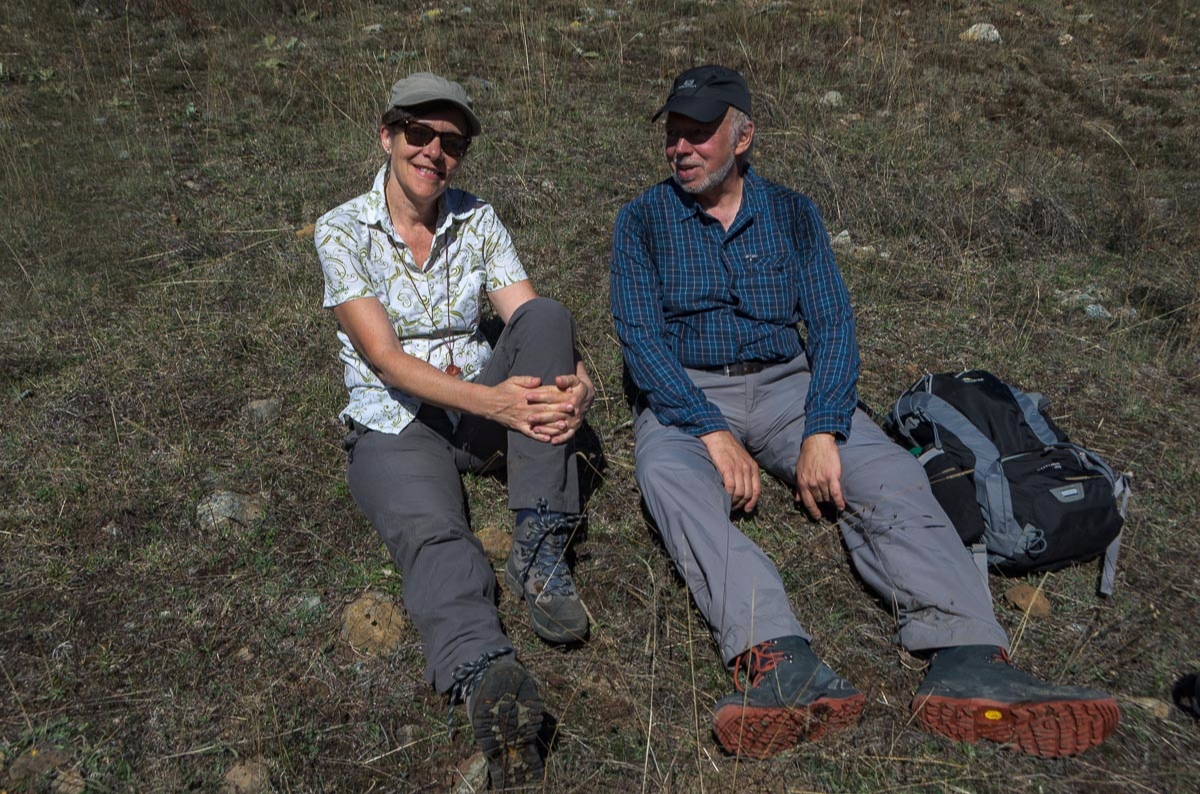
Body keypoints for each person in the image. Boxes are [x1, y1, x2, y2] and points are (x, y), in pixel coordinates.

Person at [610, 64, 1119, 760]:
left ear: (745, 135)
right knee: (672, 483)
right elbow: (640, 339)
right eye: (674, 134)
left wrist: (823, 425)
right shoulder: (641, 220)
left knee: (889, 475)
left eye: (700, 133)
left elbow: (832, 324)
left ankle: (966, 657)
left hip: (790, 386)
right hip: (688, 390)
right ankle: (780, 660)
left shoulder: (791, 212)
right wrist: (710, 431)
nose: (682, 148)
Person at [315, 72, 594, 786]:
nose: (435, 152)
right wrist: (495, 403)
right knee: (435, 533)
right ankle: (488, 676)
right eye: (420, 133)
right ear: (387, 135)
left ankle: (537, 548)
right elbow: (384, 357)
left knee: (551, 318)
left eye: (452, 143)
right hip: (394, 422)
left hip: (481, 407)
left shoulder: (478, 219)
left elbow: (527, 312)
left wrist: (577, 377)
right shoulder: (342, 230)